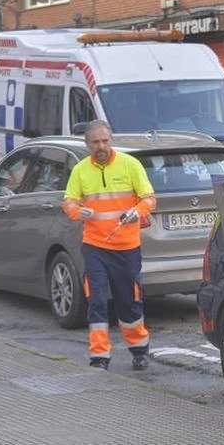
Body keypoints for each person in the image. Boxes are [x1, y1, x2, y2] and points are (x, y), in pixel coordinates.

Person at [62, 120, 156, 372]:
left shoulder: (130, 165)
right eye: (95, 142)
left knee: (129, 301)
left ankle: (139, 350)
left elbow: (149, 198)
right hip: (94, 247)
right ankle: (99, 357)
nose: (101, 146)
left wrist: (137, 211)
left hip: (127, 248)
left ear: (111, 140)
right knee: (97, 300)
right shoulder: (81, 170)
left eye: (105, 141)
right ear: (87, 144)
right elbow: (68, 201)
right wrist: (76, 211)